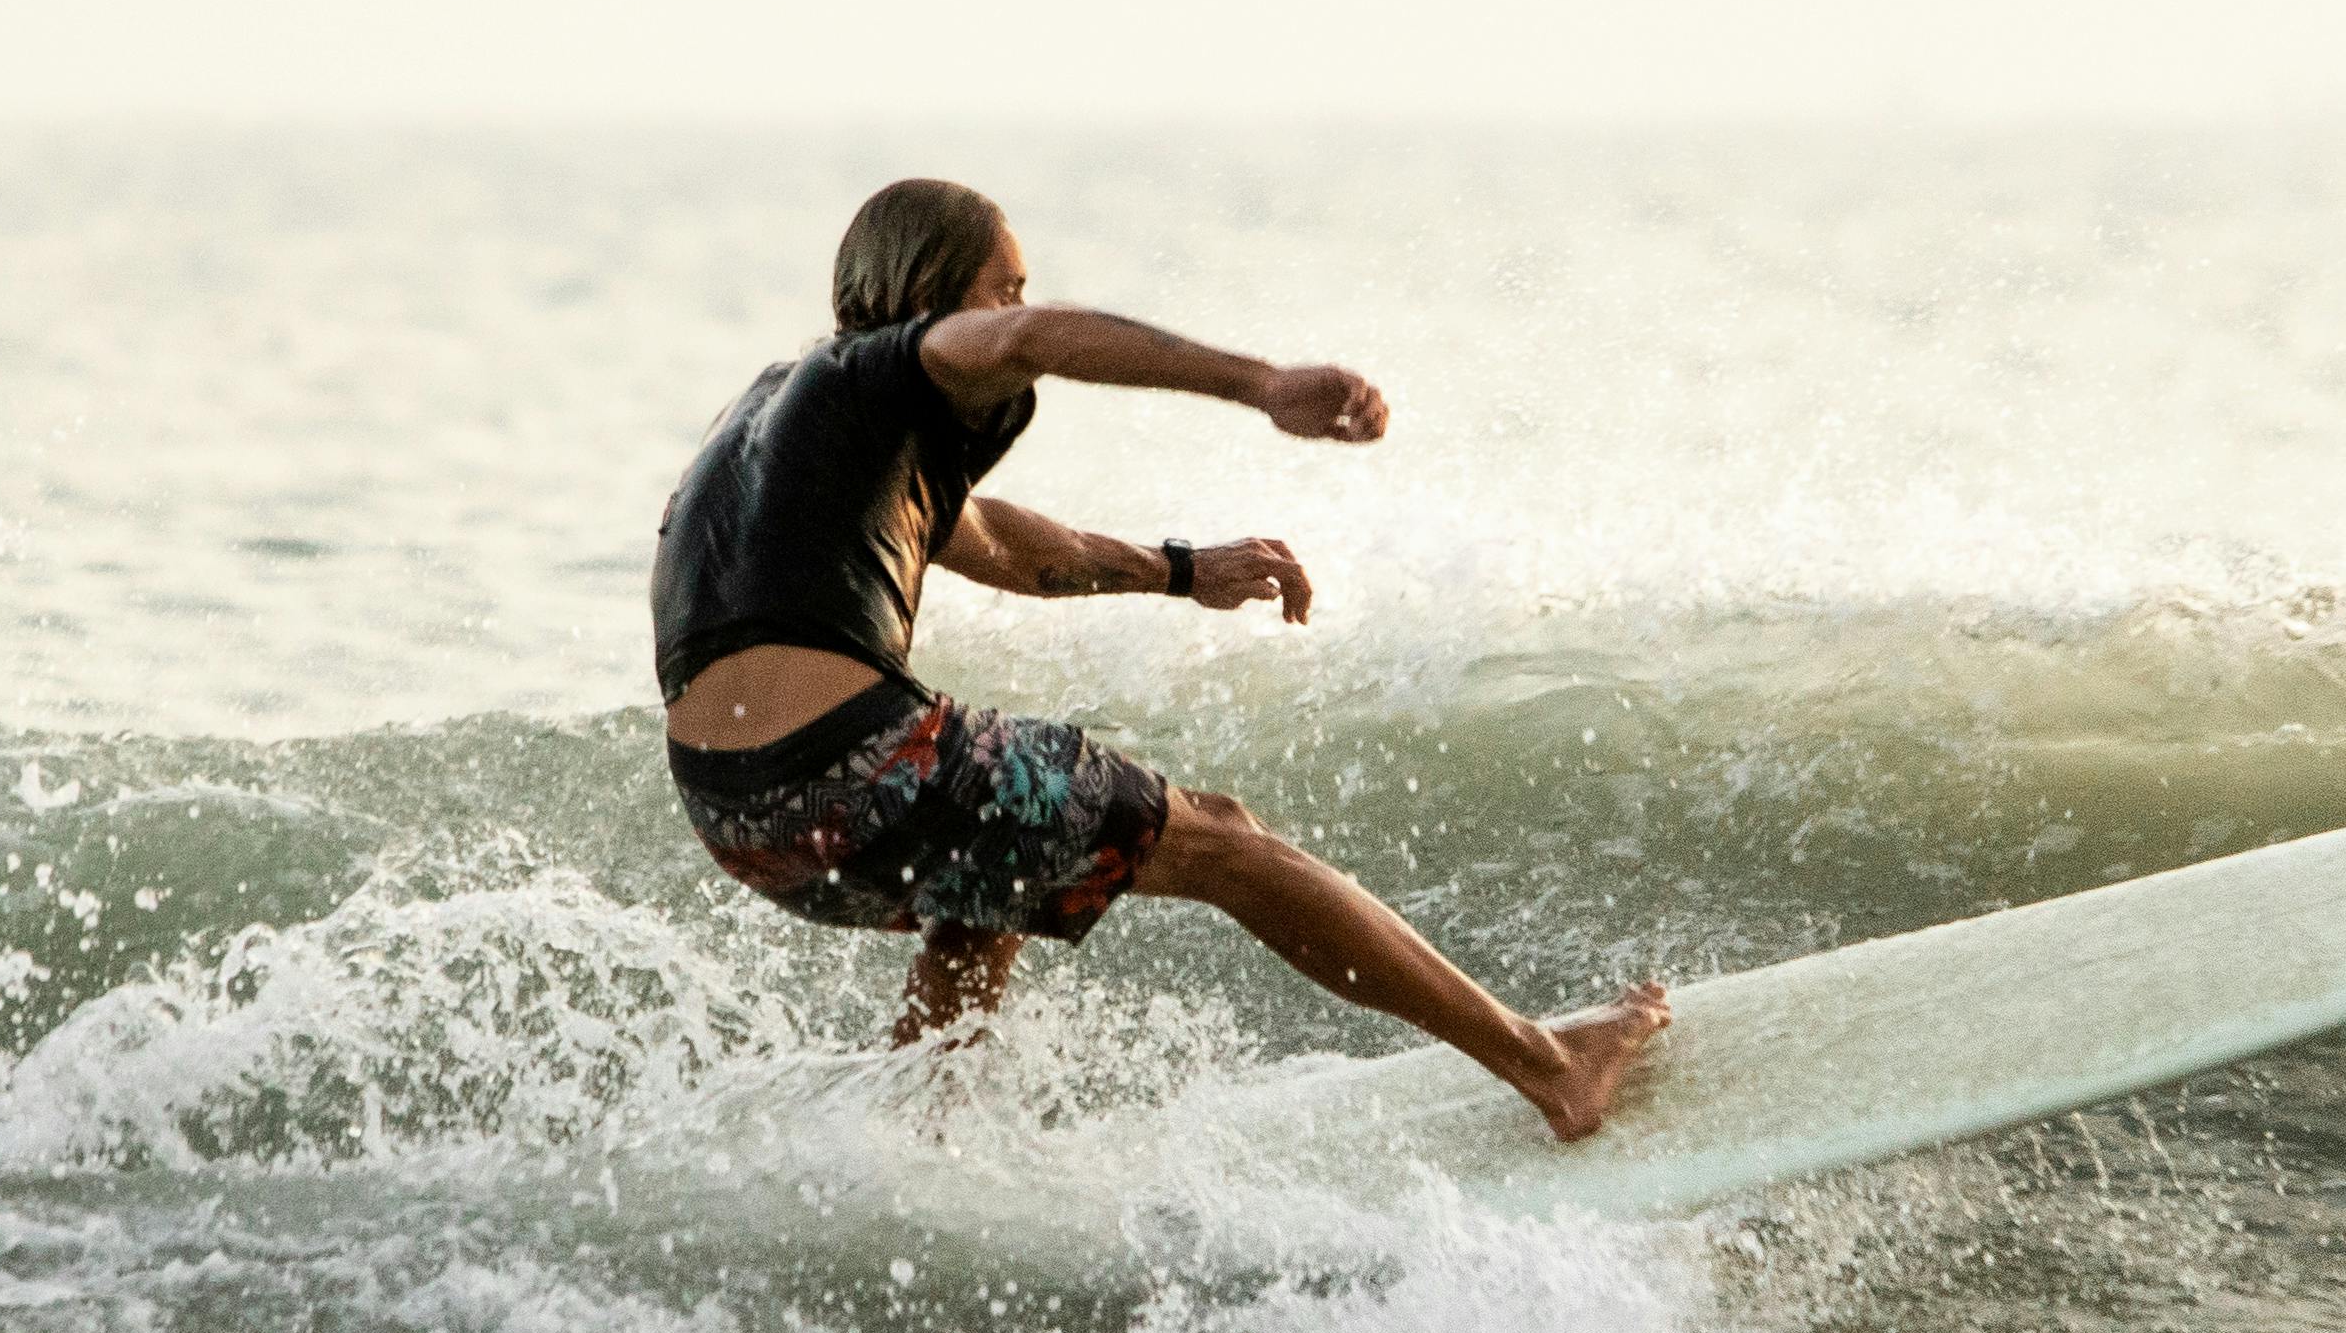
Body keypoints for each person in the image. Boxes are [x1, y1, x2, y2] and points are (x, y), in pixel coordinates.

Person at [654, 176, 1669, 1141]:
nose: (1017, 302)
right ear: (928, 293)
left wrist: (1184, 570)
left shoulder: (784, 426)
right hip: (861, 759)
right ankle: (1548, 1067)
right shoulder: (889, 363)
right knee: (1224, 837)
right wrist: (1261, 382)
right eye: (1001, 281)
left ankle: (921, 1145)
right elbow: (1032, 339)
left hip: (740, 816)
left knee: (993, 883)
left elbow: (1006, 546)